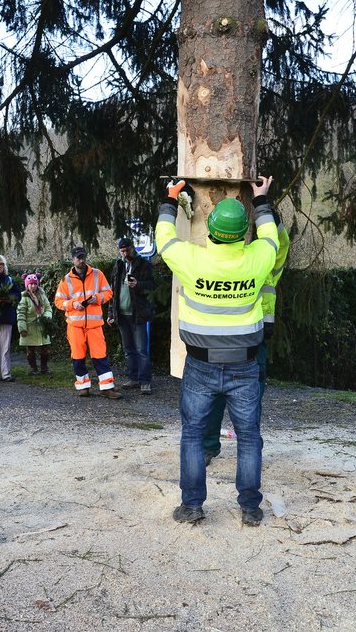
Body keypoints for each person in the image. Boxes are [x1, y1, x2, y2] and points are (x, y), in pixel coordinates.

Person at [156, 176, 279, 527]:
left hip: (201, 366)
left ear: (209, 229)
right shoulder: (258, 259)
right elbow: (270, 237)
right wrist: (260, 200)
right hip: (244, 366)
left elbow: (164, 238)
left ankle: (192, 505)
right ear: (243, 234)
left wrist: (170, 198)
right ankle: (250, 508)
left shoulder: (191, 260)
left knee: (193, 435)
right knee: (250, 438)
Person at [202, 205, 290, 465]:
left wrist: (272, 216)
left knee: (249, 400)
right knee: (216, 397)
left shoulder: (264, 261)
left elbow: (280, 245)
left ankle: (250, 449)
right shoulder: (248, 261)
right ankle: (209, 446)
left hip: (256, 337)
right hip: (227, 335)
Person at [54, 246, 122, 399]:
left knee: (100, 356)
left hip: (94, 325)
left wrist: (97, 298)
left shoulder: (98, 274)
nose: (81, 260)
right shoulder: (66, 280)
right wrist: (73, 304)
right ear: (73, 259)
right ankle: (83, 387)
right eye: (78, 257)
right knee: (77, 357)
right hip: (75, 326)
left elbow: (108, 293)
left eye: (83, 256)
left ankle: (106, 387)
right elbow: (58, 301)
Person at [106, 237, 155, 394]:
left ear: (133, 248)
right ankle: (133, 378)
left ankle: (145, 381)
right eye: (122, 251)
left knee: (141, 350)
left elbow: (152, 286)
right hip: (121, 315)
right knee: (128, 350)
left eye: (127, 250)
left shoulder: (144, 264)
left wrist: (138, 284)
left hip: (138, 314)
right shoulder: (119, 265)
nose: (125, 253)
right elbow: (113, 291)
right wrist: (111, 313)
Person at [16, 273, 52, 374]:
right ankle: (33, 368)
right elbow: (21, 313)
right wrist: (22, 328)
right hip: (30, 326)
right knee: (30, 349)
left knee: (45, 348)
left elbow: (48, 308)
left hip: (42, 326)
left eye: (35, 284)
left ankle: (44, 367)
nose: (33, 286)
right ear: (27, 285)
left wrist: (46, 317)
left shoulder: (42, 295)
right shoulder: (24, 297)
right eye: (30, 284)